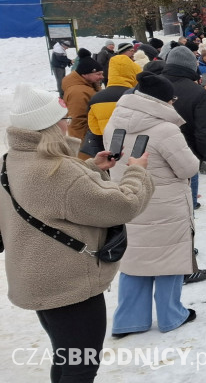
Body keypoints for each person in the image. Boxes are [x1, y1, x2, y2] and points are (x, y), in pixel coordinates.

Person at [1, 84, 154, 382]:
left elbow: (49, 197)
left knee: (67, 358)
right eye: (64, 119)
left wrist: (91, 169)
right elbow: (124, 206)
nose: (68, 124)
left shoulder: (11, 161)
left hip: (37, 280)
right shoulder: (58, 172)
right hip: (68, 285)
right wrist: (137, 170)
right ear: (49, 126)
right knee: (81, 367)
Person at [103, 72, 200, 339]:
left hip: (130, 200)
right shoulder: (165, 129)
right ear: (161, 100)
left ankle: (129, 320)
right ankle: (172, 315)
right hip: (165, 205)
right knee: (169, 259)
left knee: (135, 259)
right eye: (172, 99)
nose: (173, 103)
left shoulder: (115, 122)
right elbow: (188, 168)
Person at [63, 49, 105, 142]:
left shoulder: (89, 85)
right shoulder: (78, 93)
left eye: (102, 74)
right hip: (85, 140)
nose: (102, 77)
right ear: (85, 74)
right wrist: (83, 144)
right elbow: (77, 122)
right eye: (98, 74)